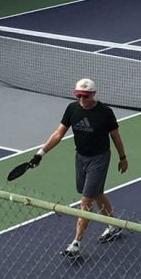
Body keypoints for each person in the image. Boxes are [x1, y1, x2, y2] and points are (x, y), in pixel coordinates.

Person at [29, 78, 129, 258]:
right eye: (79, 96)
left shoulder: (105, 112)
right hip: (81, 158)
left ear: (93, 94)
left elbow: (115, 136)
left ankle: (76, 243)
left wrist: (123, 157)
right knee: (97, 193)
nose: (81, 99)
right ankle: (114, 226)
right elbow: (58, 133)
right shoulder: (72, 109)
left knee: (86, 201)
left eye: (85, 96)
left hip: (99, 158)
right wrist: (40, 153)